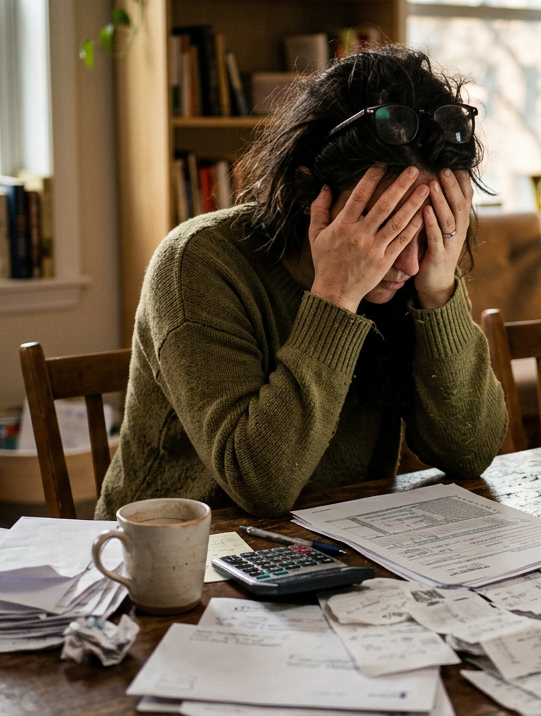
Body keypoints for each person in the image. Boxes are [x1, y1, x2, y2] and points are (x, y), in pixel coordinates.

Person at [96, 45, 508, 519]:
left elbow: (468, 453)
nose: (409, 263)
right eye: (383, 227)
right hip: (176, 557)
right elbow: (261, 486)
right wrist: (337, 295)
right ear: (306, 192)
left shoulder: (421, 270)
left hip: (337, 540)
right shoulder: (197, 263)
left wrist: (440, 295)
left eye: (427, 227)